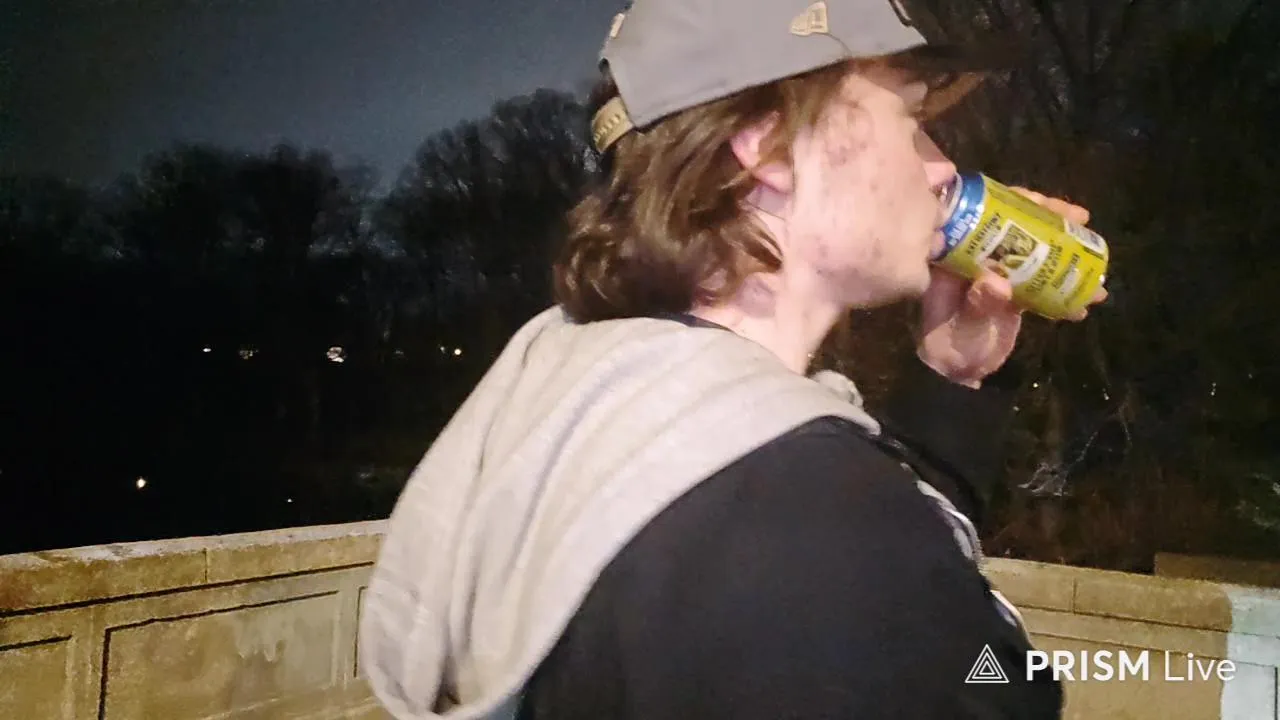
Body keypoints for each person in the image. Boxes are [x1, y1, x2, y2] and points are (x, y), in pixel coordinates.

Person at [359, 1, 1106, 718]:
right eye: (911, 120)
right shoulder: (810, 524)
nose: (942, 169)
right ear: (771, 148)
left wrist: (952, 380)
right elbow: (974, 673)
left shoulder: (594, 404)